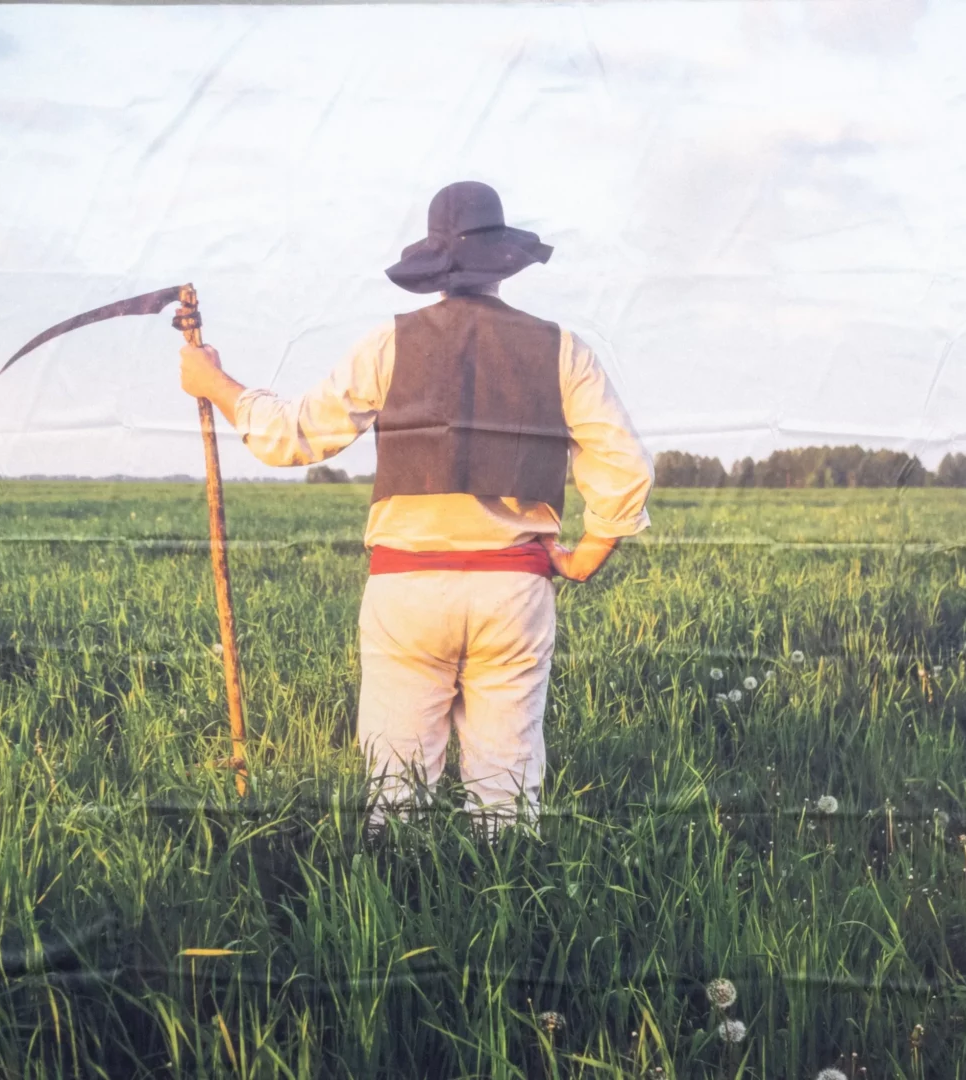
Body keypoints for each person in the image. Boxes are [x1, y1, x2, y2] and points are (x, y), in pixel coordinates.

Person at [179, 180, 654, 836]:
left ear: (434, 267)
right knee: (507, 794)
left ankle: (396, 913)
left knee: (395, 792)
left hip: (408, 590)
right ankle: (508, 919)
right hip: (514, 589)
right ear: (504, 262)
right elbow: (624, 467)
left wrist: (215, 384)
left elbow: (292, 437)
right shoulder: (561, 349)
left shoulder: (388, 346)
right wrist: (584, 558)